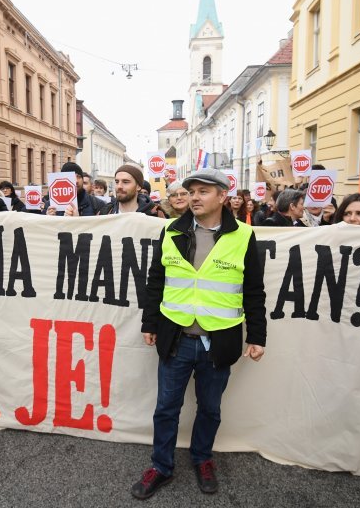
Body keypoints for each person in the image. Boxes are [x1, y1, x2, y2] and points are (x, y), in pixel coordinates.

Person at [132, 168, 266, 499]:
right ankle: (161, 466)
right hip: (175, 338)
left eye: (203, 191)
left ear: (223, 196)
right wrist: (150, 323)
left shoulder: (244, 236)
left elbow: (253, 290)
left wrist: (257, 335)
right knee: (166, 408)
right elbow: (156, 280)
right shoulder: (172, 230)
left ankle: (202, 458)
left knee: (210, 408)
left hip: (217, 342)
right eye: (191, 191)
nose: (194, 196)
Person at [98, 165, 163, 216]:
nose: (119, 186)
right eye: (117, 182)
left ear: (138, 186)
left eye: (125, 182)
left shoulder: (153, 214)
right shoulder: (105, 212)